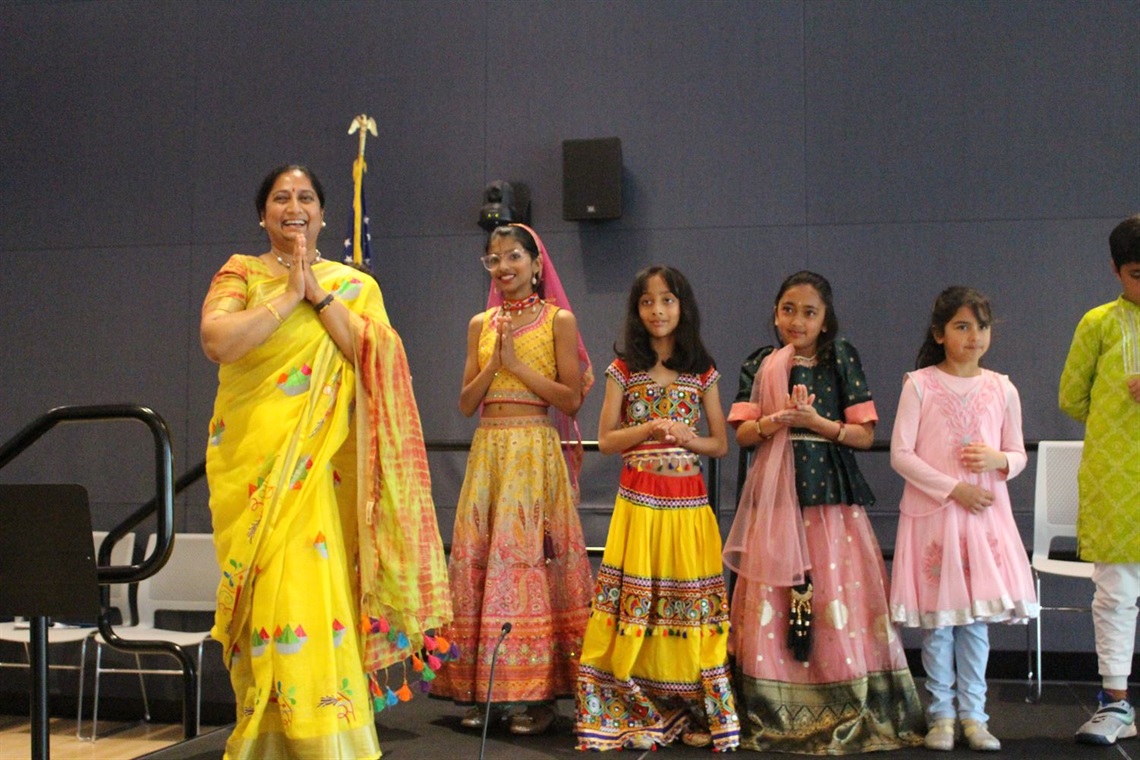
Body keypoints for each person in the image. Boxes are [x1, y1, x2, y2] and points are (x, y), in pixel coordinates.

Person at [200, 164, 452, 758]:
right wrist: (290, 294)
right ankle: (270, 736)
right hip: (255, 469)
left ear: (322, 213)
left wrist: (316, 292)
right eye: (280, 198)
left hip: (320, 473)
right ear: (263, 215)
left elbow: (377, 357)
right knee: (268, 598)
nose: (294, 207)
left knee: (309, 593)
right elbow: (217, 340)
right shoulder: (241, 273)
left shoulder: (353, 286)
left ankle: (324, 739)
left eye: (306, 197)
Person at [723, 270, 924, 754]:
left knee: (837, 599)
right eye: (788, 310)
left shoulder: (839, 357)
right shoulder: (761, 363)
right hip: (776, 501)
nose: (797, 321)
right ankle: (772, 705)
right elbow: (744, 435)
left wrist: (816, 422)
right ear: (775, 314)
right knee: (772, 603)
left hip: (830, 500)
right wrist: (776, 420)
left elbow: (864, 435)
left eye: (809, 312)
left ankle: (846, 696)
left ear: (825, 319)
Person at [432, 223, 594, 736]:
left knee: (526, 569)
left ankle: (538, 696)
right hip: (489, 453)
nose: (504, 267)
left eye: (514, 257)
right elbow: (465, 403)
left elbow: (570, 399)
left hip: (532, 452)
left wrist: (517, 366)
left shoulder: (558, 320)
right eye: (494, 258)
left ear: (537, 264)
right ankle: (485, 693)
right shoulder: (480, 324)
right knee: (481, 567)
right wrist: (494, 365)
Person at [574, 265, 740, 752]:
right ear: (636, 310)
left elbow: (720, 444)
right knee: (638, 600)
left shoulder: (702, 370)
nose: (658, 311)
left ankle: (696, 708)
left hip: (687, 506)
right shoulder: (623, 369)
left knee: (688, 603)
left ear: (682, 307)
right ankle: (636, 704)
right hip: (638, 507)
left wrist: (689, 437)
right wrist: (649, 428)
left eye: (667, 300)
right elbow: (607, 441)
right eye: (647, 302)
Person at [889, 286, 1038, 752]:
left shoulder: (1002, 387)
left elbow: (1017, 453)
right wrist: (954, 488)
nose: (975, 336)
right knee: (939, 622)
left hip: (982, 520)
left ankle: (975, 716)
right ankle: (941, 716)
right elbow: (901, 454)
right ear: (940, 334)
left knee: (974, 623)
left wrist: (999, 460)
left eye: (982, 326)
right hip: (936, 518)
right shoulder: (919, 385)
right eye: (962, 326)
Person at [1060, 213, 1140, 746]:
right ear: (1115, 270)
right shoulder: (1099, 323)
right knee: (1116, 591)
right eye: (1137, 274)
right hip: (1116, 477)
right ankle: (1115, 703)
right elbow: (1071, 398)